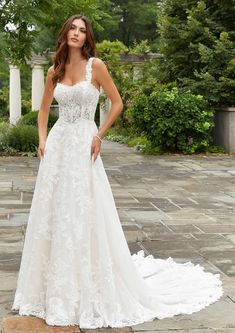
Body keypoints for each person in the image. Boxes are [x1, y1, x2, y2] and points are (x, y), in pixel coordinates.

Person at [11, 14, 223, 329]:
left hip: (84, 143)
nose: (77, 33)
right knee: (54, 213)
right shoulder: (54, 71)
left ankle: (88, 285)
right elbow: (43, 111)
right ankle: (52, 289)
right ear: (65, 32)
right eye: (73, 28)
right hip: (58, 148)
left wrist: (99, 136)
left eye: (83, 31)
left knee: (85, 210)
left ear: (87, 38)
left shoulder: (96, 66)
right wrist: (42, 139)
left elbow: (117, 103)